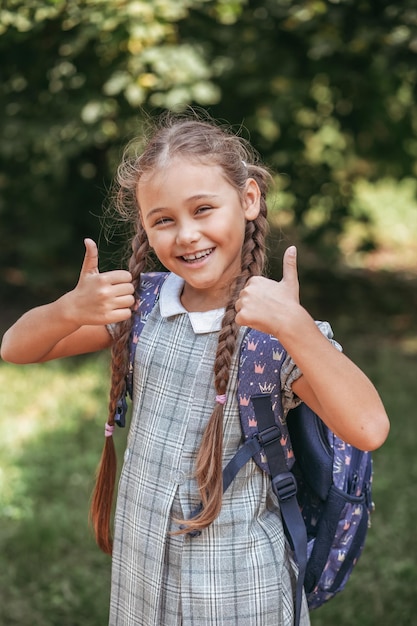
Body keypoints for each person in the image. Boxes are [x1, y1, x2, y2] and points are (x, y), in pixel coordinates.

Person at [0, 112, 389, 626]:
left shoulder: (275, 327)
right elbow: (17, 348)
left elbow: (369, 428)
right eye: (163, 220)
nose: (186, 235)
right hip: (143, 577)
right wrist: (67, 310)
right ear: (144, 226)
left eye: (204, 209)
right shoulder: (142, 306)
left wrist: (298, 329)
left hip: (236, 589)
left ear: (248, 200)